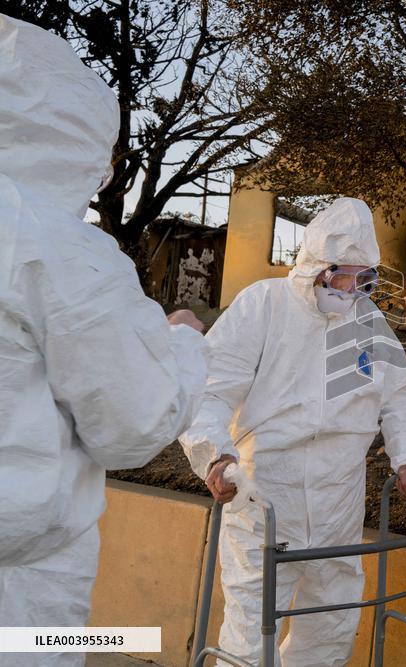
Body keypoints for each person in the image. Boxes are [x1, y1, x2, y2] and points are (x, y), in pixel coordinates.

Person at [0, 14, 209, 666]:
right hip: (21, 590)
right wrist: (183, 345)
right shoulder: (58, 248)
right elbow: (133, 424)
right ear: (72, 136)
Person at [180, 197, 406, 666]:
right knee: (252, 632)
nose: (352, 289)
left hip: (340, 498)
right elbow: (208, 390)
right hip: (266, 495)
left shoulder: (366, 322)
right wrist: (215, 453)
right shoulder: (264, 305)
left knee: (331, 624)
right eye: (342, 276)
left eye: (364, 278)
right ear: (316, 265)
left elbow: (400, 396)